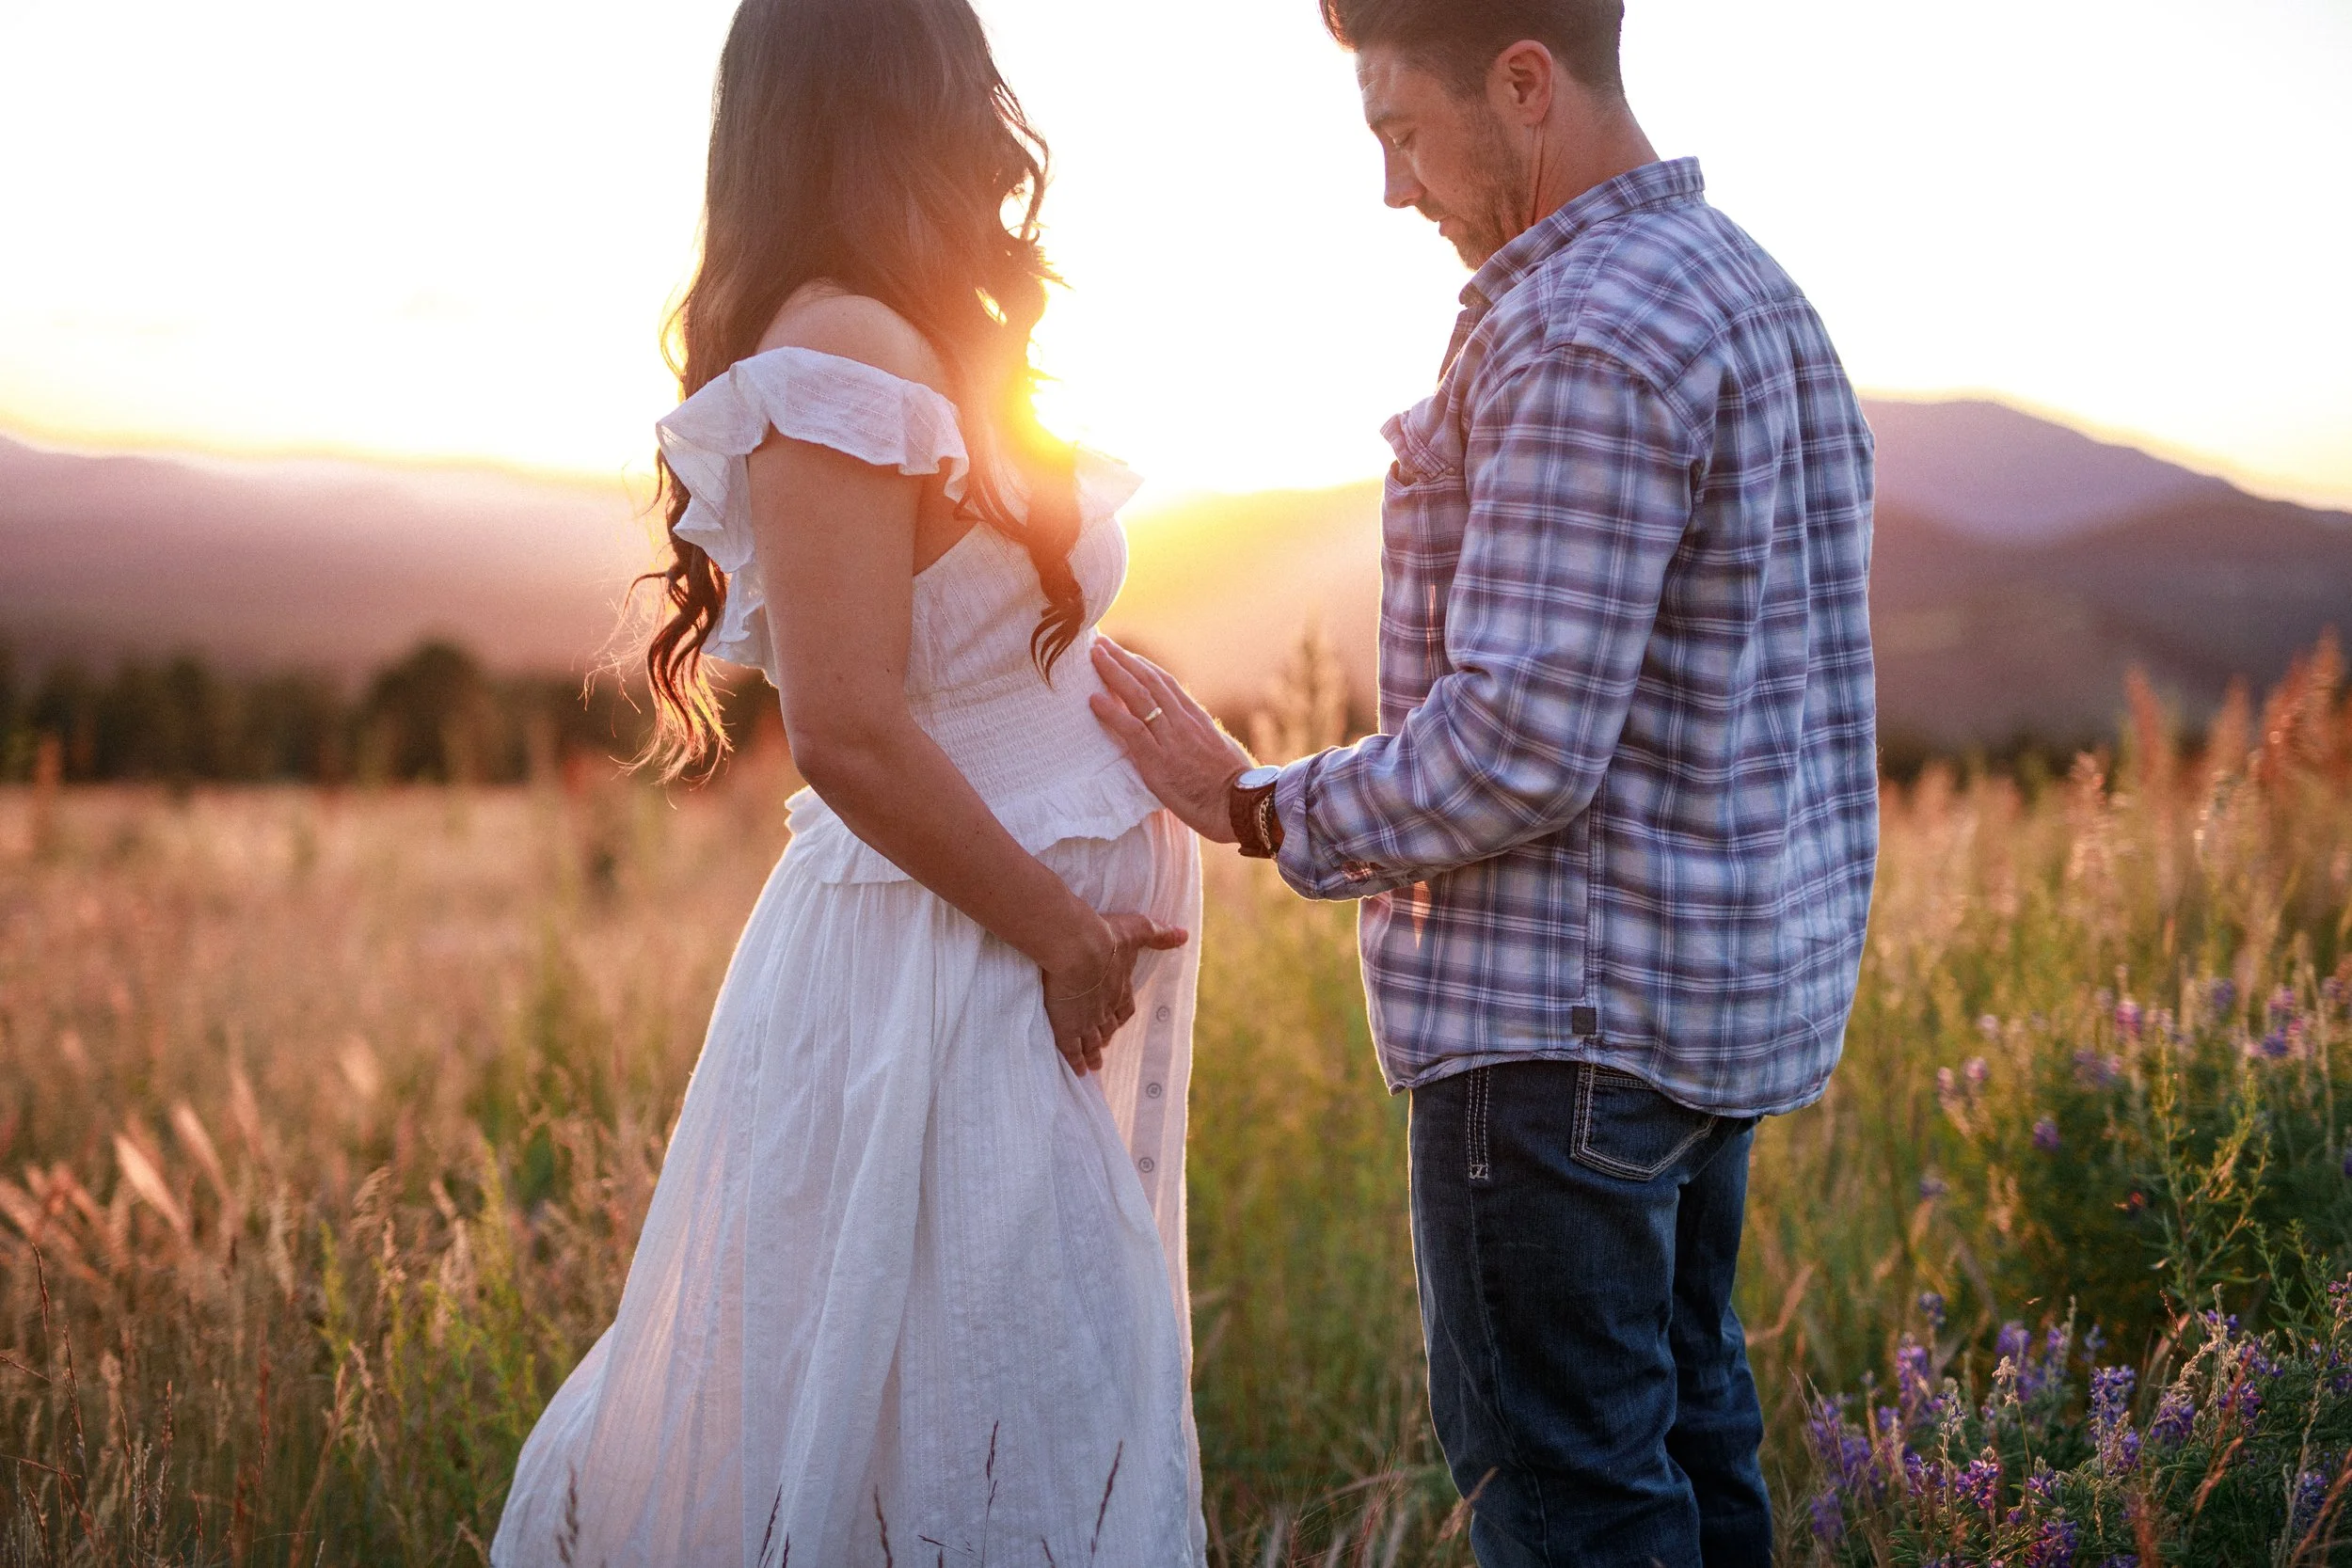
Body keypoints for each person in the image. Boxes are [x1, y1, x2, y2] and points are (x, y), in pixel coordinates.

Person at [1090, 0, 1878, 1562]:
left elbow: (1520, 737)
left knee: (1578, 1506)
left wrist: (1255, 804)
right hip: (1704, 1016)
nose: (1394, 188)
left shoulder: (1581, 327)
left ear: (1525, 85)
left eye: (1401, 130)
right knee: (1693, 1459)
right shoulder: (1754, 293)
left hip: (1561, 1032)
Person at [491, 1, 1208, 1561]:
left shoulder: (935, 331)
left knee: (1029, 1385)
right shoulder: (830, 350)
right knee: (943, 1408)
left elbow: (990, 648)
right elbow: (848, 724)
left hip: (1007, 952)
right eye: (960, 71)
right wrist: (1062, 931)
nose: (988, 106)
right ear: (900, 94)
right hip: (943, 957)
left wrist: (1174, 769)